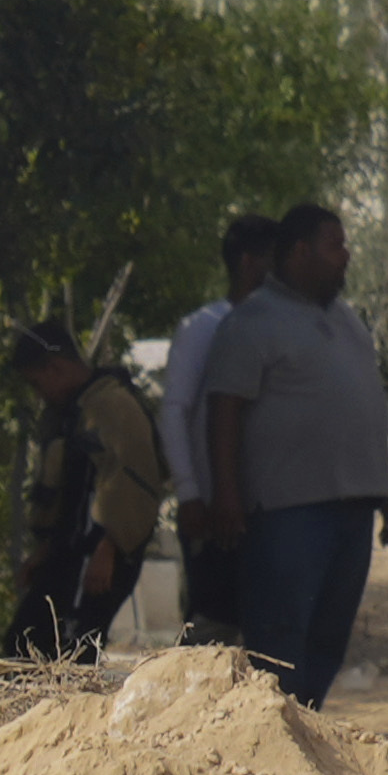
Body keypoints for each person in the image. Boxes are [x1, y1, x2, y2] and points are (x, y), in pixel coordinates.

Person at [197, 204, 388, 700]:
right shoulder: (252, 321)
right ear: (299, 251)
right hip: (288, 515)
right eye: (336, 245)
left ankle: (306, 735)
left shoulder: (348, 321)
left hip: (353, 508)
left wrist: (386, 490)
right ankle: (275, 742)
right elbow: (223, 411)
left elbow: (365, 409)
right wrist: (225, 495)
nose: (347, 256)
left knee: (327, 640)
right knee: (280, 640)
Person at [6, 323, 166, 661]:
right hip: (70, 555)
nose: (39, 394)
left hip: (99, 558)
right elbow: (72, 492)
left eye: (37, 383)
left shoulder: (111, 405)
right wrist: (46, 549)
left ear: (56, 368)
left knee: (70, 652)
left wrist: (108, 547)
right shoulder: (77, 411)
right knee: (26, 643)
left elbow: (132, 481)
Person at [152, 212, 270, 632]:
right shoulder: (204, 326)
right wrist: (190, 494)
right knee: (212, 622)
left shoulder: (278, 327)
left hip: (263, 507)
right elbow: (175, 410)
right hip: (212, 508)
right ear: (248, 262)